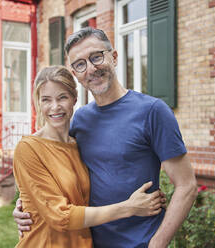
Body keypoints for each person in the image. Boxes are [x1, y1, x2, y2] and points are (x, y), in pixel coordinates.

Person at [13, 27, 198, 248]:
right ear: (76, 74)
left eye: (96, 57)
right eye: (80, 64)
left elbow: (186, 186)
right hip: (90, 242)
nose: (91, 68)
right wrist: (27, 205)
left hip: (140, 242)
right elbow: (59, 173)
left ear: (114, 57)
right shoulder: (79, 121)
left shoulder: (153, 111)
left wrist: (157, 244)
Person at [13, 65, 166, 248]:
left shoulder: (80, 143)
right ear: (38, 103)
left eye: (62, 97)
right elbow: (60, 216)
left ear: (74, 99)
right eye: (46, 100)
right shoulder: (29, 149)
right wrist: (130, 207)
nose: (55, 107)